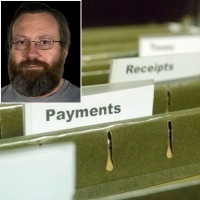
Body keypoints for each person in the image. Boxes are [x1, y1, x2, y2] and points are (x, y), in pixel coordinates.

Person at [1, 2, 80, 102]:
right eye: (21, 42)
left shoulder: (87, 100)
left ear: (64, 50)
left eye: (44, 42)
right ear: (9, 49)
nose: (31, 54)